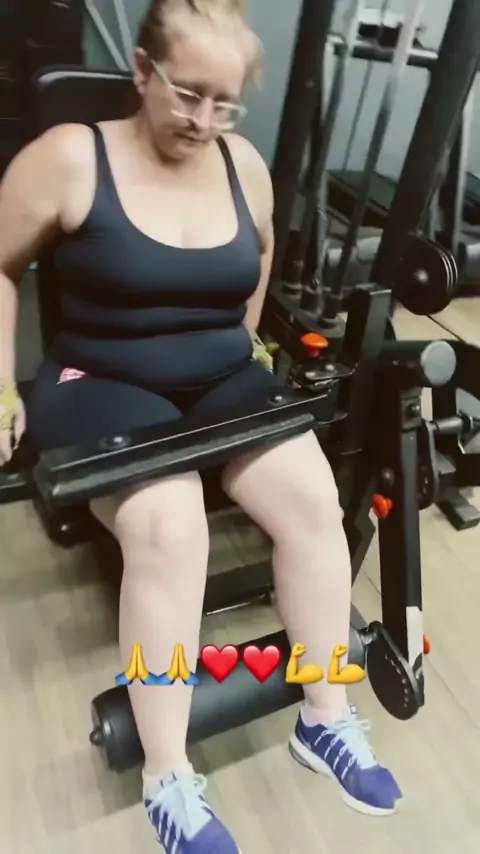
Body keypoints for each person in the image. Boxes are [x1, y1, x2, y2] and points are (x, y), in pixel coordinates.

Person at [0, 0, 401, 850]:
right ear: (143, 70)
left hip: (221, 374)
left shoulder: (242, 163)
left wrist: (244, 340)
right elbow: (0, 266)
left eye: (225, 103)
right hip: (99, 377)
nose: (204, 119)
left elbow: (260, 251)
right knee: (172, 527)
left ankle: (324, 716)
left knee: (314, 505)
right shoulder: (70, 156)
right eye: (188, 94)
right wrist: (0, 385)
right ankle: (166, 775)